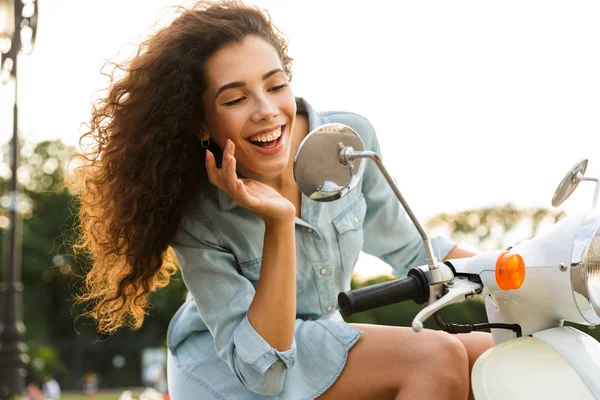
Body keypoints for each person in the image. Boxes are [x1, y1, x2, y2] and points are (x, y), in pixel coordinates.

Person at [71, 1, 493, 399]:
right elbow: (265, 367)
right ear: (202, 123)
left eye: (276, 86)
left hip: (325, 340)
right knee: (437, 356)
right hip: (237, 367)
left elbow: (416, 250)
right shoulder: (195, 210)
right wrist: (278, 221)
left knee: (494, 354)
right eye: (236, 99)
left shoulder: (348, 144)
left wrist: (528, 267)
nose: (267, 110)